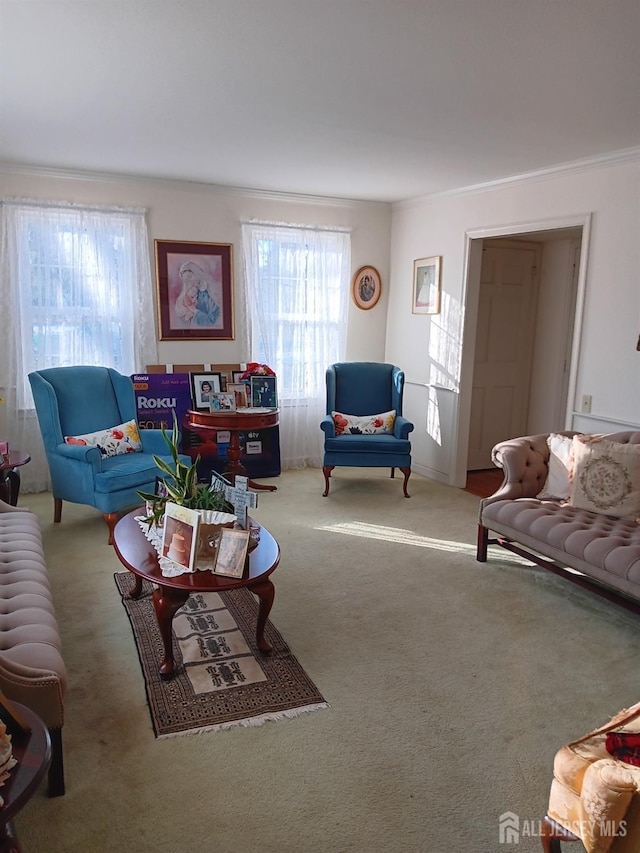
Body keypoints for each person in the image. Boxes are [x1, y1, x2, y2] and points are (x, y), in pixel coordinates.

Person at [177, 260, 221, 326]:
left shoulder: (211, 292)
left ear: (196, 272)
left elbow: (212, 320)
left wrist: (194, 311)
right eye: (186, 281)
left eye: (189, 276)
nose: (189, 282)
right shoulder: (193, 294)